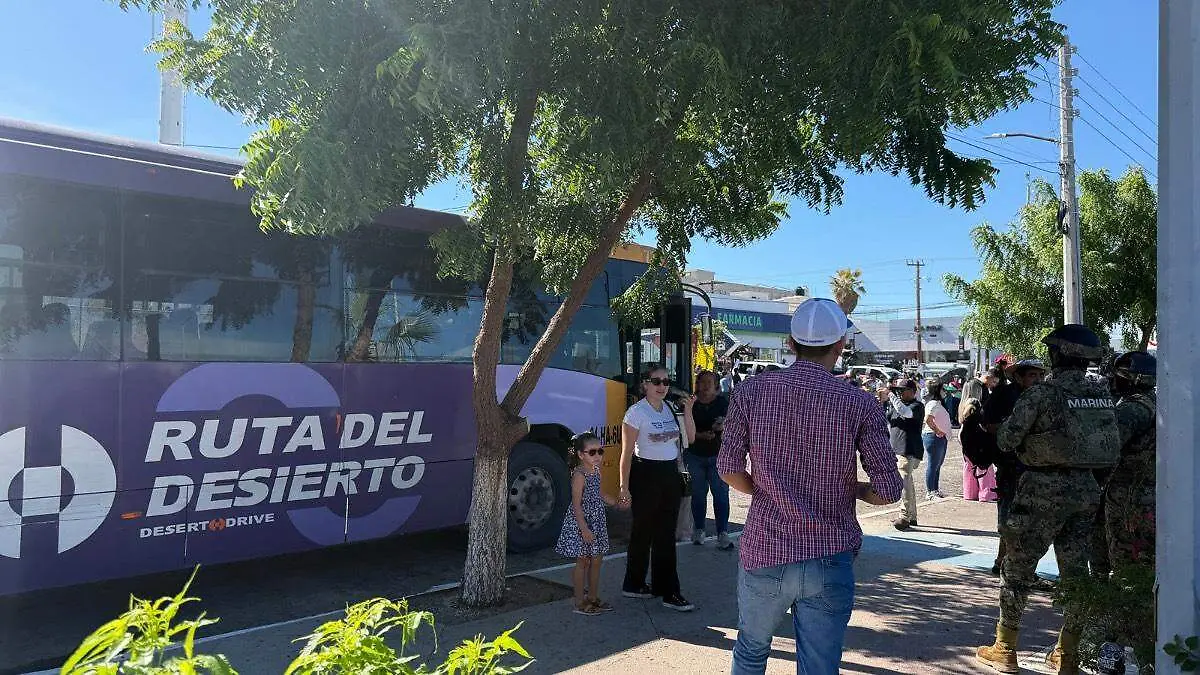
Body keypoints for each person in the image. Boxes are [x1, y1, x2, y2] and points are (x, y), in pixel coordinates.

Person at [718, 298, 901, 675]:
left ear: (790, 343)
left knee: (751, 651)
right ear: (840, 345)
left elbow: (727, 468)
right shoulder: (860, 403)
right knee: (819, 667)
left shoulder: (751, 392)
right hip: (829, 554)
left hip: (766, 548)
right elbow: (887, 490)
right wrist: (853, 489)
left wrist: (763, 489)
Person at [976, 325, 1120, 675]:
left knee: (1017, 569)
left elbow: (1008, 440)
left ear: (1058, 354)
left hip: (1041, 489)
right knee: (1075, 575)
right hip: (1086, 491)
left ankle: (1005, 648)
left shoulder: (1042, 394)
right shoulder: (1101, 393)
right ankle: (1067, 656)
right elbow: (1110, 446)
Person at [619, 363, 696, 612]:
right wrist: (623, 487)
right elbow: (626, 453)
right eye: (657, 381)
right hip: (645, 473)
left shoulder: (671, 409)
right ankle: (634, 583)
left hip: (669, 474)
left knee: (665, 533)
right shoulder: (635, 413)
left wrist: (689, 411)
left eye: (666, 381)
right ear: (645, 384)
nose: (662, 386)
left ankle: (667, 589)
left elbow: (690, 439)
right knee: (642, 531)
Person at [1093, 351, 1157, 574]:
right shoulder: (1156, 401)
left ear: (1136, 377)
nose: (1115, 379)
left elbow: (1106, 446)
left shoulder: (1133, 407)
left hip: (1129, 497)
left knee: (1126, 561)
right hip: (1144, 494)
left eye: (1121, 374)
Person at [982, 359, 1046, 574]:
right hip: (1011, 466)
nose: (1037, 380)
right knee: (1009, 518)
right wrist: (1016, 429)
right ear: (1018, 377)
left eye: (1040, 376)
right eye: (1032, 375)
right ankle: (1005, 563)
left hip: (1035, 467)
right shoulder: (1004, 395)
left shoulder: (1044, 396)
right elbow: (988, 425)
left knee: (1030, 520)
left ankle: (1007, 562)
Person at [556, 432, 621, 615]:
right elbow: (576, 505)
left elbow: (599, 494)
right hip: (582, 522)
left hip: (597, 520)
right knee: (583, 560)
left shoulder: (596, 471)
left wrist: (616, 502)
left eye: (600, 451)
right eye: (592, 452)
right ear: (580, 455)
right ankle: (579, 601)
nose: (598, 456)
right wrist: (583, 528)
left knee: (597, 560)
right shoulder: (579, 475)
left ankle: (593, 597)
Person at [685, 370, 733, 549]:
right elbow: (683, 428)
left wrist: (721, 426)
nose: (704, 386)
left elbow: (733, 425)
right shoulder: (691, 402)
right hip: (694, 454)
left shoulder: (723, 403)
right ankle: (699, 530)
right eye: (701, 382)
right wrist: (699, 435)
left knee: (720, 495)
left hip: (718, 456)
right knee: (697, 495)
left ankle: (723, 533)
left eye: (708, 383)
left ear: (716, 386)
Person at [887, 378, 925, 530]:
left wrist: (890, 395)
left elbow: (905, 413)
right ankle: (912, 516)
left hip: (908, 450)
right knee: (908, 483)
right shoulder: (897, 406)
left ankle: (904, 516)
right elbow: (889, 419)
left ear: (913, 392)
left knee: (904, 483)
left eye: (903, 390)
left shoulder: (917, 406)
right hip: (897, 449)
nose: (900, 392)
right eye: (898, 390)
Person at [922, 380, 952, 500]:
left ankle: (935, 489)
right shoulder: (933, 403)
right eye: (942, 389)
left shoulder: (939, 403)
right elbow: (928, 419)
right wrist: (937, 430)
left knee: (937, 465)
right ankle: (930, 492)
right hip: (933, 437)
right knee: (933, 464)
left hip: (940, 437)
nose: (944, 391)